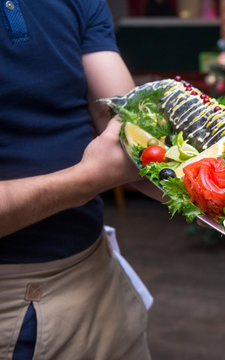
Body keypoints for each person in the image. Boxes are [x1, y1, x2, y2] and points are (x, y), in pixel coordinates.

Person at [0, 0, 159, 358]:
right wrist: (87, 180)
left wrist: (221, 195)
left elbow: (122, 122)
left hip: (96, 272)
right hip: (15, 307)